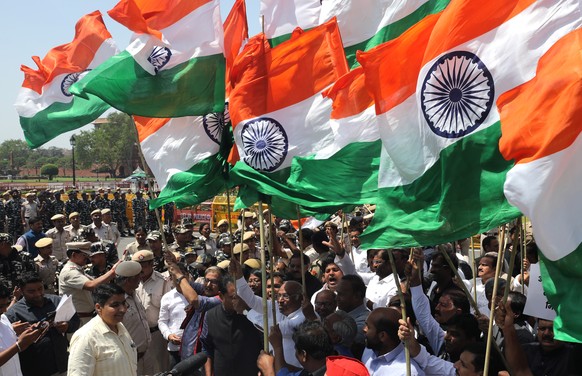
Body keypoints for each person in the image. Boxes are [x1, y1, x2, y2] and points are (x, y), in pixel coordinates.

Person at [230, 257, 306, 369]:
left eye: (285, 296)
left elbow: (275, 328)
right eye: (279, 295)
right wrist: (239, 277)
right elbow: (251, 300)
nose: (280, 300)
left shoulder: (304, 316)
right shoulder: (276, 306)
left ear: (299, 298)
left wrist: (247, 312)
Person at [5, 272, 80, 376]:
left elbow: (75, 321)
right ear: (22, 291)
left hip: (63, 365)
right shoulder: (13, 313)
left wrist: (67, 326)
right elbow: (8, 343)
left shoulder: (57, 301)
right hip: (35, 370)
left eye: (40, 289)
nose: (37, 294)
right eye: (31, 291)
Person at [68, 283, 137, 376]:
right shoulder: (86, 337)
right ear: (98, 308)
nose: (123, 309)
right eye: (115, 305)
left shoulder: (120, 327)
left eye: (124, 303)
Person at [201, 276, 263, 376]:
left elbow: (265, 345)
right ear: (221, 296)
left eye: (242, 297)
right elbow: (207, 348)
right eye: (233, 297)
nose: (239, 301)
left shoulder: (254, 316)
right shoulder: (210, 316)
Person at [58, 241, 118, 326]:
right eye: (84, 255)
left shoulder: (78, 269)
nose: (88, 258)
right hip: (78, 320)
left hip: (85, 317)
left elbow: (96, 282)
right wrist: (112, 272)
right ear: (74, 255)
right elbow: (91, 285)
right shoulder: (69, 272)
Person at [132, 250, 171, 373]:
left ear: (152, 264)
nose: (141, 269)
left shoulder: (163, 281)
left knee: (159, 367)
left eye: (144, 265)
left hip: (156, 334)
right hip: (137, 334)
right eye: (138, 265)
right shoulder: (131, 281)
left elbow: (169, 309)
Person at [113, 261, 151, 375]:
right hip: (131, 359)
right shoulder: (115, 301)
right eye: (138, 276)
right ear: (129, 280)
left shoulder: (135, 294)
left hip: (146, 354)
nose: (140, 278)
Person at [257, 321, 334, 376]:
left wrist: (268, 371)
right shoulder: (335, 365)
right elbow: (283, 372)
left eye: (296, 350)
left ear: (304, 355)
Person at [362, 307, 424, 375]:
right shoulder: (369, 350)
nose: (364, 329)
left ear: (382, 335)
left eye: (368, 327)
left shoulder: (407, 372)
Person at [0, 282, 44, 376]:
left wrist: (27, 333)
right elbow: (16, 346)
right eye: (0, 306)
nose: (4, 310)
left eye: (6, 305)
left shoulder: (3, 319)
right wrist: (18, 346)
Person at [158, 263, 190, 368]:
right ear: (171, 278)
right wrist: (169, 335)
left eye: (180, 275)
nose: (177, 279)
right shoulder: (167, 297)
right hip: (175, 350)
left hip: (194, 348)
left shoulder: (197, 295)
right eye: (173, 276)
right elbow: (162, 321)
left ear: (187, 276)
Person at [335, 274, 370, 353]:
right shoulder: (338, 314)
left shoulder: (366, 320)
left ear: (357, 296)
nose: (336, 298)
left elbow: (348, 340)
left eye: (341, 294)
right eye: (337, 293)